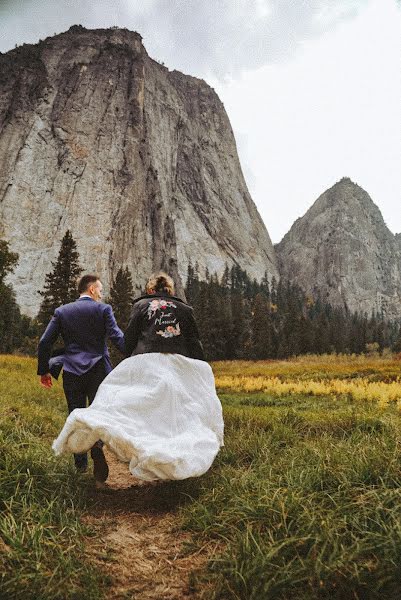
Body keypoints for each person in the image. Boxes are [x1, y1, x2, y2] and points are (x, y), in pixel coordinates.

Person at [52, 272, 224, 482]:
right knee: (180, 416)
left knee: (140, 411)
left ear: (150, 290)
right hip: (178, 365)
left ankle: (121, 445)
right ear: (171, 291)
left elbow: (130, 340)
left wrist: (130, 357)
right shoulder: (185, 310)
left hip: (148, 363)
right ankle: (175, 463)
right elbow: (195, 344)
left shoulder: (142, 306)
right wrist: (197, 370)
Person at [37, 274, 125, 482]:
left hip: (72, 371)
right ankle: (96, 446)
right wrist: (136, 353)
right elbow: (117, 338)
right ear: (93, 289)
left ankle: (80, 468)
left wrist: (44, 370)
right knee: (99, 413)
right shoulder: (103, 310)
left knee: (76, 415)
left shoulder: (62, 311)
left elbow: (44, 343)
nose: (101, 294)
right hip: (99, 371)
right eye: (101, 290)